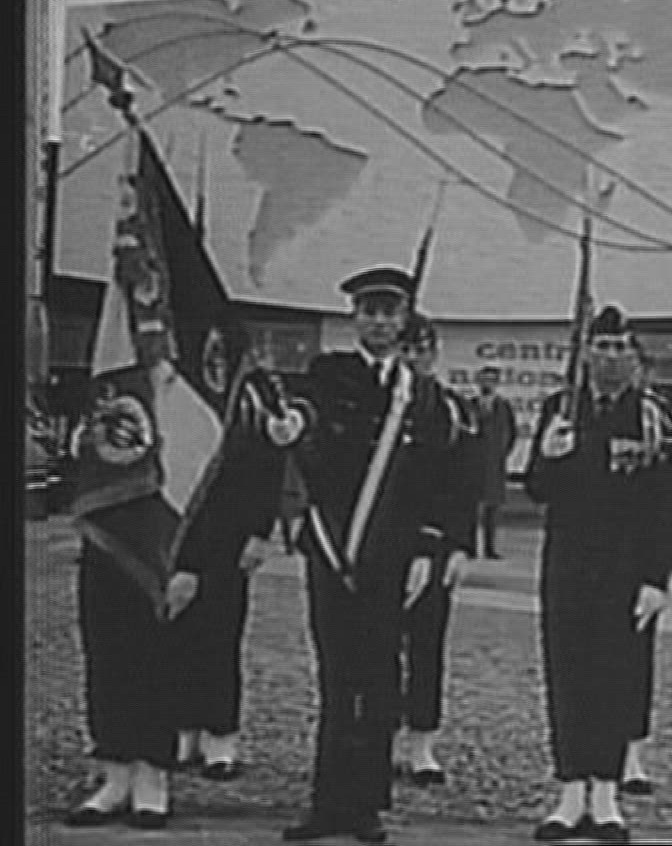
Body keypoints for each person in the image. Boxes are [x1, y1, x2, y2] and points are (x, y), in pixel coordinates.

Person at [274, 268, 471, 844]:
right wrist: (293, 423)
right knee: (336, 677)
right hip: (333, 548)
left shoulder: (424, 396)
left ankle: (365, 806)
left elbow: (436, 478)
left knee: (381, 676)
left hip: (391, 556)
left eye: (389, 312)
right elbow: (308, 411)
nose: (379, 322)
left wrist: (428, 548)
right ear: (354, 317)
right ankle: (326, 805)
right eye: (369, 311)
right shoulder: (328, 373)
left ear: (404, 318)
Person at [64, 352, 291, 830]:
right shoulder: (115, 373)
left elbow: (216, 487)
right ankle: (115, 773)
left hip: (171, 549)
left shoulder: (194, 393)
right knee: (106, 653)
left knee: (159, 659)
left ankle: (153, 773)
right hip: (109, 544)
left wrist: (192, 562)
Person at [526, 305, 672, 843]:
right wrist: (548, 456)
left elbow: (669, 503)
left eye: (621, 348)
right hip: (568, 564)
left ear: (634, 356)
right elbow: (538, 490)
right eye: (602, 346)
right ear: (586, 352)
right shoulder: (561, 408)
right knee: (568, 673)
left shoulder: (655, 418)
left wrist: (660, 575)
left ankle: (606, 793)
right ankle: (571, 791)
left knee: (617, 677)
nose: (611, 357)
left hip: (627, 568)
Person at [170, 360, 291, 780]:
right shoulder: (173, 378)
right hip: (175, 526)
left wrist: (260, 530)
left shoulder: (254, 388)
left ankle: (221, 737)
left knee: (220, 634)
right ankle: (183, 729)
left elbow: (271, 462)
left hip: (230, 531)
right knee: (176, 633)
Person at [391, 315, 481, 787]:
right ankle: (383, 736)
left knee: (426, 646)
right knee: (379, 646)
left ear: (435, 353)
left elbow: (465, 484)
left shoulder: (454, 410)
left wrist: (459, 544)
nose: (413, 359)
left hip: (437, 543)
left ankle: (422, 740)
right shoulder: (379, 403)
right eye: (405, 349)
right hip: (382, 543)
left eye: (421, 350)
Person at [624, 347, 672, 796]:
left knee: (635, 661)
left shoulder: (664, 421)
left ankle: (631, 753)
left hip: (641, 557)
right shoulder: (578, 411)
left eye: (634, 364)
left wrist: (667, 567)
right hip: (590, 557)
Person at [470, 365, 518, 560]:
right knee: (471, 507)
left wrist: (501, 454)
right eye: (484, 380)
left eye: (491, 380)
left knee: (493, 508)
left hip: (495, 464)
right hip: (473, 464)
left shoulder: (504, 406)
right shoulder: (470, 405)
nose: (487, 384)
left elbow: (511, 433)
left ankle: (490, 548)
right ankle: (470, 546)